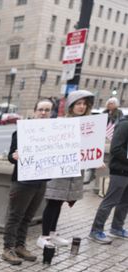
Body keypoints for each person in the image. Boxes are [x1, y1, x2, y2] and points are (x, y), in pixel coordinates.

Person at [36, 90, 92, 249]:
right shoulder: (62, 122)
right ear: (71, 106)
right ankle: (44, 236)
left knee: (60, 202)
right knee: (53, 201)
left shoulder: (88, 124)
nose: (81, 107)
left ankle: (52, 233)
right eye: (78, 104)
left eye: (84, 104)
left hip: (74, 170)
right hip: (60, 168)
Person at [1, 99, 53, 265]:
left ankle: (20, 246)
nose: (43, 113)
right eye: (41, 110)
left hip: (40, 181)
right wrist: (14, 157)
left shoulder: (52, 133)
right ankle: (8, 248)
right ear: (35, 111)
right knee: (15, 216)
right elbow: (10, 156)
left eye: (47, 110)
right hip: (23, 182)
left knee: (28, 217)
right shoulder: (22, 131)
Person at [89, 115, 128, 243]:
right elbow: (116, 148)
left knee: (124, 202)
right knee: (110, 201)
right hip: (120, 170)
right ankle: (96, 230)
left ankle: (117, 228)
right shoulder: (124, 125)